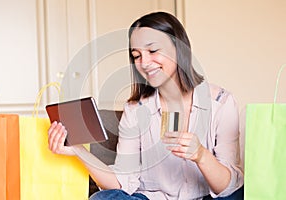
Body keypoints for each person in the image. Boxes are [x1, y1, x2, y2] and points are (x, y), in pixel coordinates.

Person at [48, 12, 244, 200]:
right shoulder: (135, 110)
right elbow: (123, 182)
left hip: (206, 197)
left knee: (236, 193)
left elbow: (227, 187)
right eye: (136, 55)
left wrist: (201, 155)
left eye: (152, 51)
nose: (145, 62)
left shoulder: (221, 104)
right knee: (103, 198)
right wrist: (79, 151)